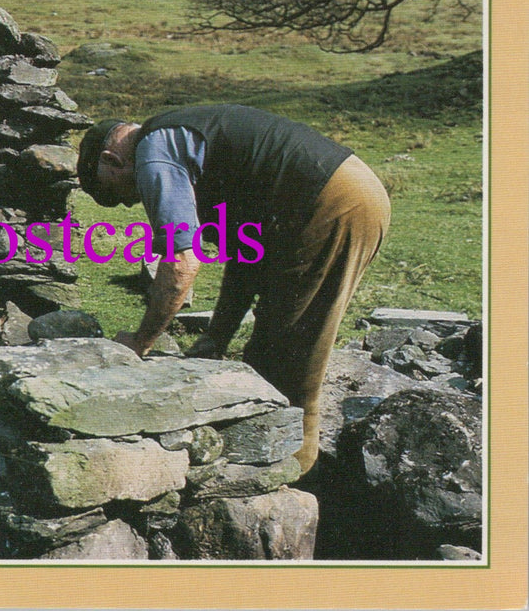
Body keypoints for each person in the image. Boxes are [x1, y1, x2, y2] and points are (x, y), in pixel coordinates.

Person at [77, 105, 390, 473]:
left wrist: (140, 342)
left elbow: (181, 264)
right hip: (336, 191)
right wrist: (217, 337)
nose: (134, 201)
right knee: (267, 351)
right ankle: (278, 467)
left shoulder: (154, 151)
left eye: (122, 192)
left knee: (291, 357)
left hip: (333, 198)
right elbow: (244, 259)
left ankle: (296, 476)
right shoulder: (184, 144)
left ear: (111, 159)